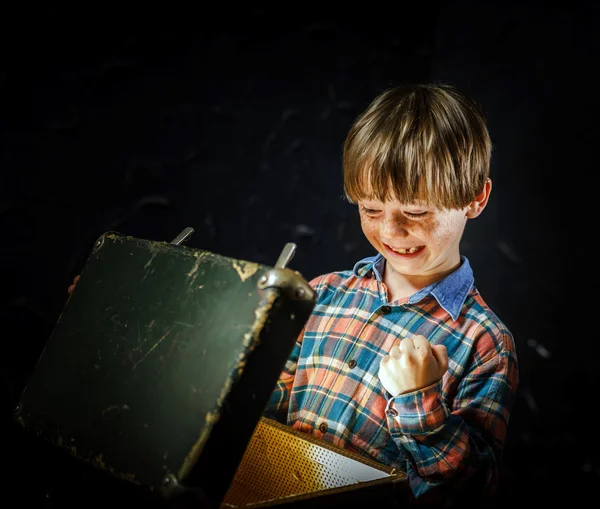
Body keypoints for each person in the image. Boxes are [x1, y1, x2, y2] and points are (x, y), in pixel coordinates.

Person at [262, 83, 519, 505]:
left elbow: (470, 492)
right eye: (370, 209)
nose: (389, 232)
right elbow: (267, 410)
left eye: (416, 212)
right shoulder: (323, 294)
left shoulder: (486, 343)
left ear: (475, 198)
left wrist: (419, 402)